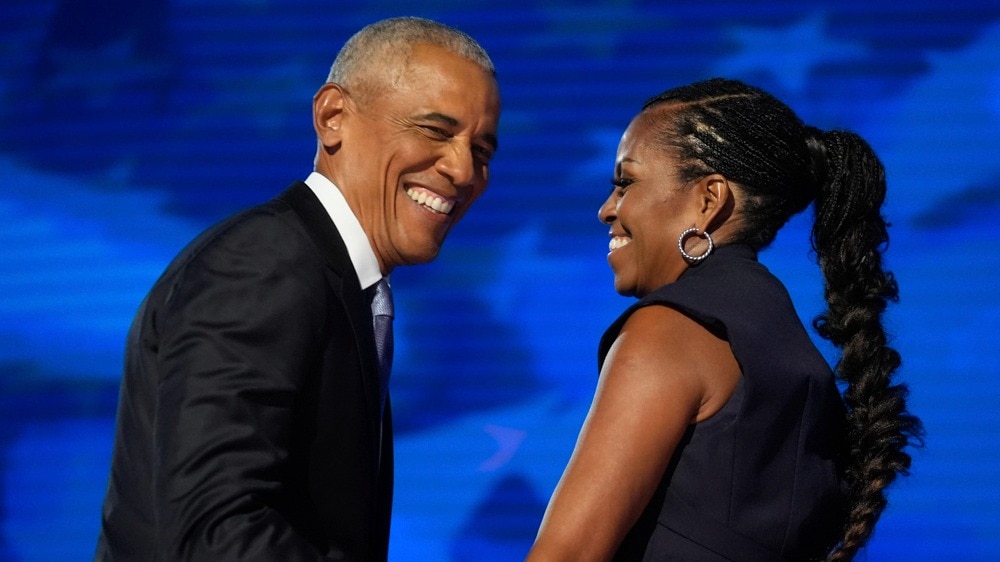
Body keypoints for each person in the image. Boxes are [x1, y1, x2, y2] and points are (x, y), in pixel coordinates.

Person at [94, 16, 500, 561]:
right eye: (434, 130)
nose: (463, 169)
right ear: (333, 117)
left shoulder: (335, 280)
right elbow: (214, 534)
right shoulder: (264, 264)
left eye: (482, 150)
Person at [526, 78, 923, 561]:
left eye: (626, 182)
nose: (607, 209)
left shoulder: (670, 331)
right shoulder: (793, 353)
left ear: (709, 200)